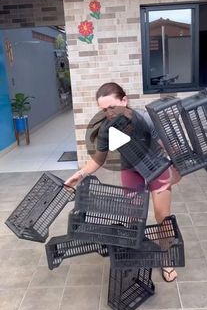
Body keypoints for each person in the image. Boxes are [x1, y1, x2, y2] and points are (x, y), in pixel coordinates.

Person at [65, 82, 180, 282]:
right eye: (103, 109)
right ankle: (136, 255)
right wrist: (81, 174)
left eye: (112, 107)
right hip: (131, 168)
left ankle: (167, 258)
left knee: (163, 215)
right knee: (133, 215)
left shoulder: (145, 119)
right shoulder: (106, 130)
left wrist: (177, 171)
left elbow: (168, 146)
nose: (108, 112)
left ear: (124, 101)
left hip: (157, 166)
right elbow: (98, 159)